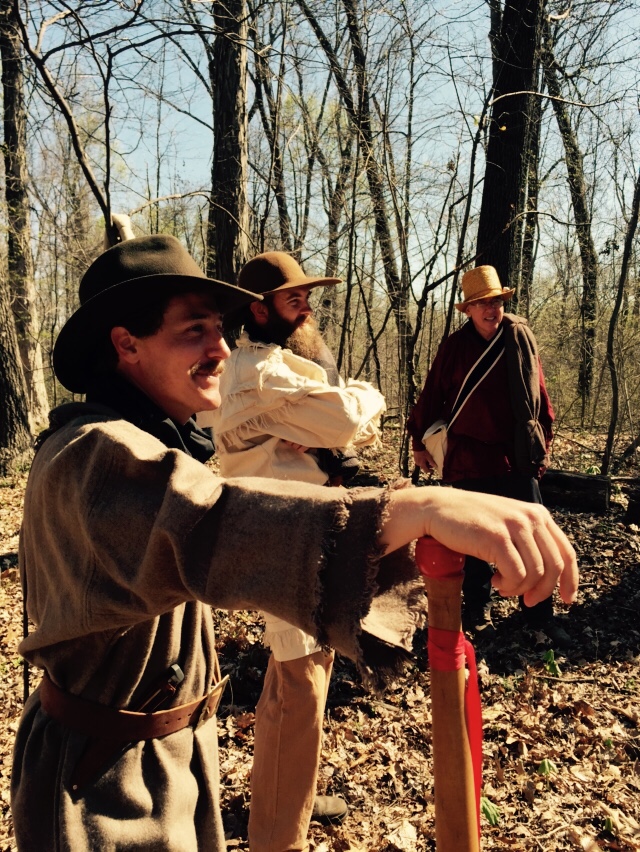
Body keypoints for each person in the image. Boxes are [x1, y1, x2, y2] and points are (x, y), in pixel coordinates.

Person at [11, 237, 578, 852]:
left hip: (164, 766)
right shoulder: (94, 454)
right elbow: (218, 525)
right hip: (104, 795)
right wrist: (419, 506)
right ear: (126, 344)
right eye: (194, 331)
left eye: (221, 330)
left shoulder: (144, 438)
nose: (220, 349)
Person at [202, 251, 386, 850]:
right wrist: (363, 396)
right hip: (286, 539)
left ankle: (283, 809)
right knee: (302, 689)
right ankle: (280, 837)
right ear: (259, 309)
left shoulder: (266, 365)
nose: (306, 305)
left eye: (307, 295)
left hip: (287, 533)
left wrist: (334, 408)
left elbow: (332, 417)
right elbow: (351, 415)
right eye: (292, 298)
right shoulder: (262, 371)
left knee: (291, 687)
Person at [407, 264, 569, 645]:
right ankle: (477, 608)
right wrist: (418, 443)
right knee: (473, 542)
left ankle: (539, 614)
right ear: (468, 310)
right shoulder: (454, 347)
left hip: (515, 457)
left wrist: (542, 442)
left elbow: (539, 395)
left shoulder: (519, 339)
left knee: (534, 537)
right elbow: (432, 396)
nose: (490, 309)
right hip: (468, 461)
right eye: (481, 303)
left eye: (495, 301)